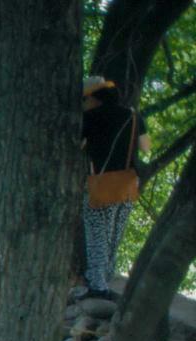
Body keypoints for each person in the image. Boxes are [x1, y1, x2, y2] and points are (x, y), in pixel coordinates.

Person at [80, 76, 151, 300]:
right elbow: (146, 147)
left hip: (102, 183)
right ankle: (106, 277)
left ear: (93, 97)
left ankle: (98, 287)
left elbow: (79, 146)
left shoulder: (89, 117)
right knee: (114, 235)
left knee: (97, 235)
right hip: (128, 183)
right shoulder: (133, 114)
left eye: (84, 99)